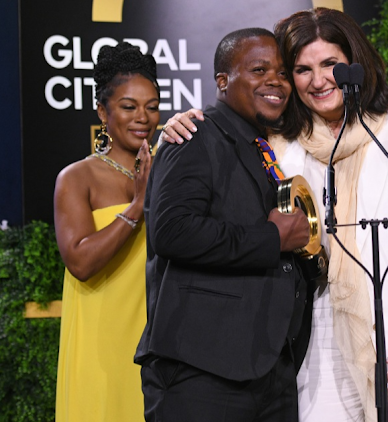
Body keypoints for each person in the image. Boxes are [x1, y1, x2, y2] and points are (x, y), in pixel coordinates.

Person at [161, 9, 388, 422]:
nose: (318, 79)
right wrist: (182, 122)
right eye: (302, 69)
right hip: (320, 347)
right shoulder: (279, 147)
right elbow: (219, 141)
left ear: (354, 64)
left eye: (330, 64)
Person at [134, 28, 312, 422]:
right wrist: (272, 238)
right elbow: (172, 231)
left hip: (268, 369)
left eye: (282, 73)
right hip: (203, 369)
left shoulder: (260, 145)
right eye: (258, 69)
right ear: (222, 81)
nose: (275, 81)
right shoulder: (196, 134)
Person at [53, 41, 158, 421]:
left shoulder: (170, 169)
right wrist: (137, 206)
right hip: (103, 339)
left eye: (151, 107)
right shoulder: (77, 177)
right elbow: (80, 261)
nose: (142, 117)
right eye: (128, 107)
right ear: (102, 111)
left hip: (160, 343)